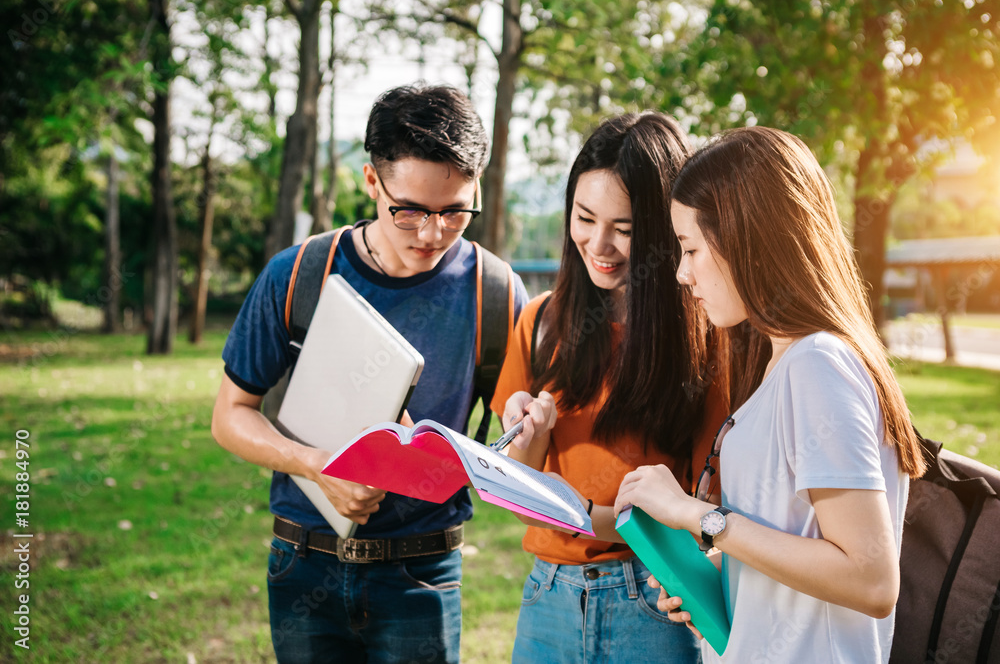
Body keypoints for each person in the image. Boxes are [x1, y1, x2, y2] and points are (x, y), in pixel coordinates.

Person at [211, 84, 528, 664]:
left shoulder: (496, 292)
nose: (432, 234)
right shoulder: (299, 274)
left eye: (455, 210)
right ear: (370, 183)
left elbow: (512, 429)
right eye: (408, 210)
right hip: (303, 562)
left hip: (423, 574)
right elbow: (230, 417)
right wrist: (316, 466)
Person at [614, 126, 927, 663]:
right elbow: (794, 546)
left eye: (690, 248)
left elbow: (871, 580)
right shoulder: (782, 363)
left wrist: (697, 516)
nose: (682, 274)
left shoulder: (818, 363)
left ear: (746, 239)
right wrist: (714, 580)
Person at [490, 112, 729, 663]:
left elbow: (706, 510)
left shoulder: (706, 340)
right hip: (547, 597)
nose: (599, 245)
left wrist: (580, 514)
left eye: (624, 229)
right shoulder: (539, 324)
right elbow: (522, 496)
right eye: (584, 217)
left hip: (650, 598)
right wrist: (529, 437)